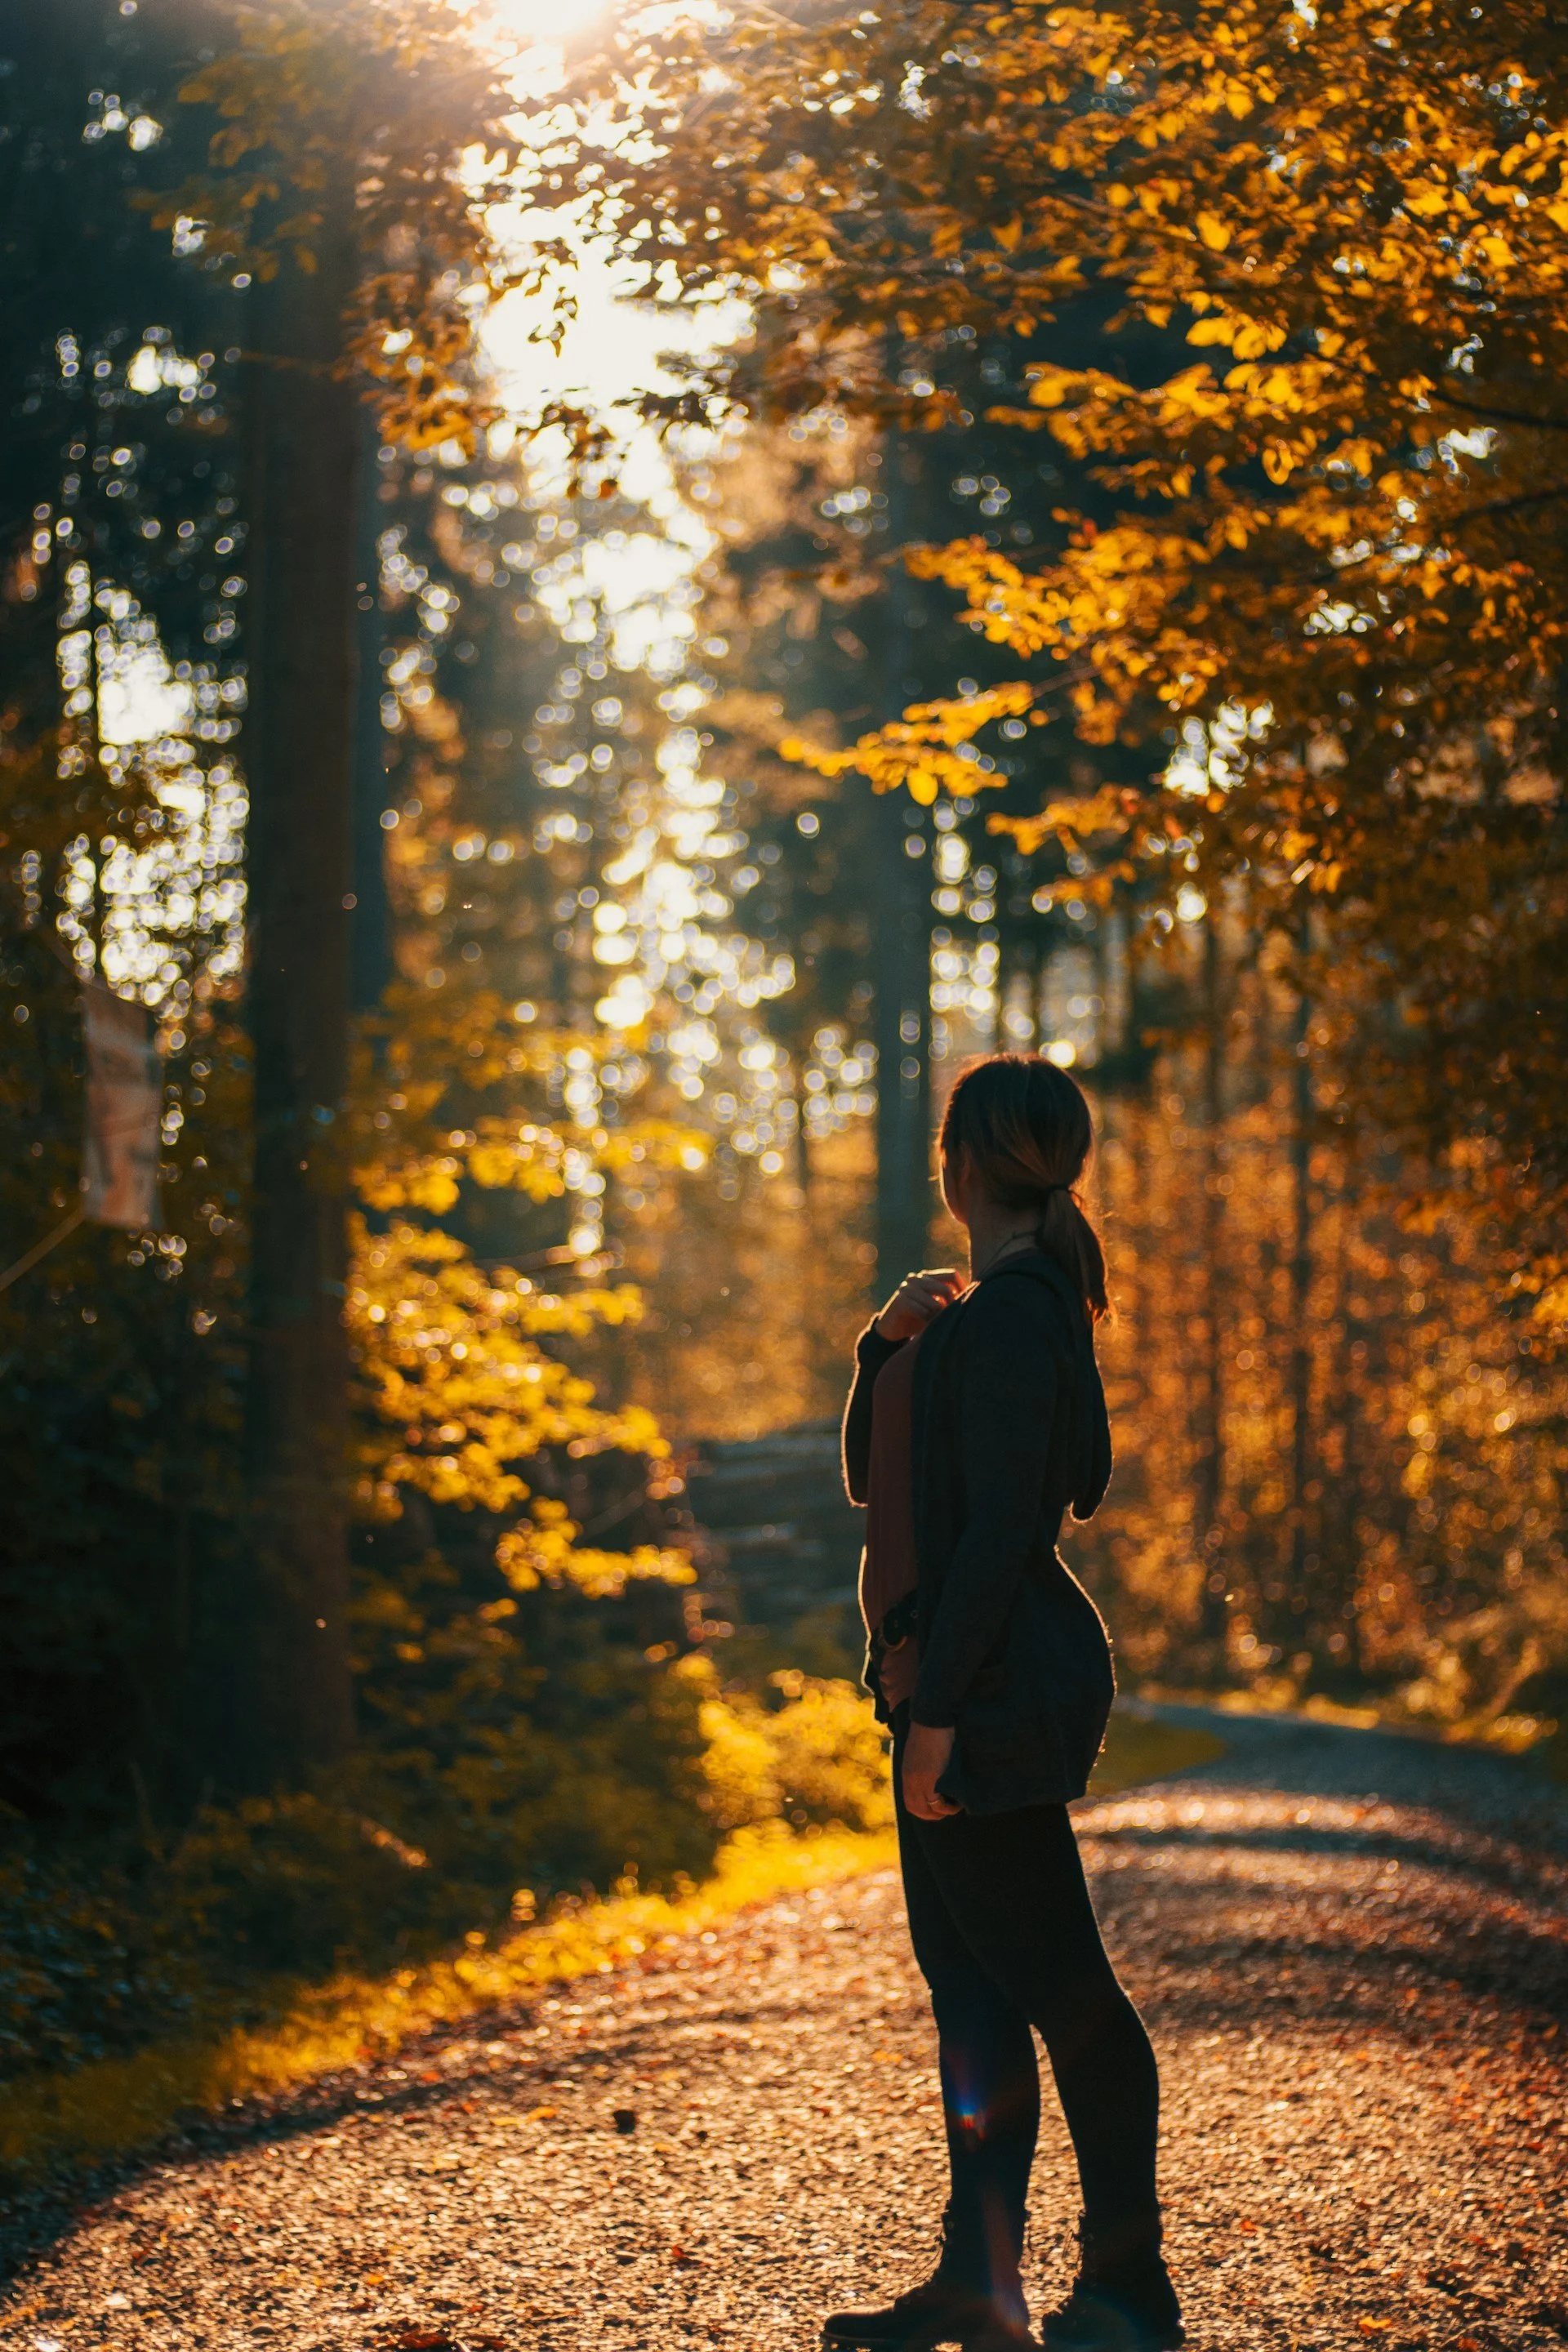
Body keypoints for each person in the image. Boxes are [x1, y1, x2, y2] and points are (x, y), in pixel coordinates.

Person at [822, 1055, 1182, 2352]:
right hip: (949, 1680)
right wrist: (884, 1346)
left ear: (965, 1163)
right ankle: (979, 2285)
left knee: (1062, 1986)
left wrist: (942, 1719)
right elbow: (879, 1478)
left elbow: (1009, 1529)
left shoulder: (1026, 1313)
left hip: (988, 1688)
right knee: (971, 1989)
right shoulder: (994, 1310)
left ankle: (1131, 2292)